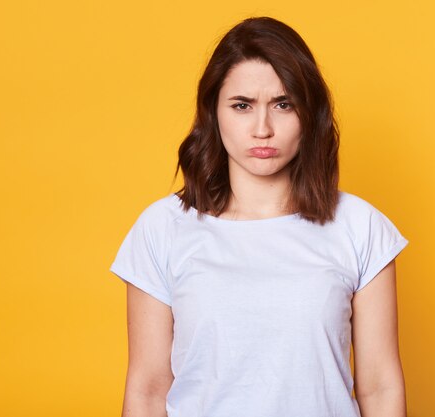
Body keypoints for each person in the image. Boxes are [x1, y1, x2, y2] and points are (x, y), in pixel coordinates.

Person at [110, 16, 409, 417]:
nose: (263, 128)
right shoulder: (162, 229)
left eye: (283, 105)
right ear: (213, 114)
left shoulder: (361, 226)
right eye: (242, 106)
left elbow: (380, 388)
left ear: (309, 113)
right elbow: (147, 392)